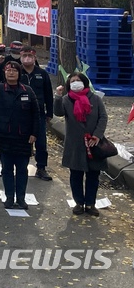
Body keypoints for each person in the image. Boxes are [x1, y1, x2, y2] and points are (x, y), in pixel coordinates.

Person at [0, 53, 39, 209]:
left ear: (19, 73)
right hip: (4, 136)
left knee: (22, 169)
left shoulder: (27, 91)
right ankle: (9, 197)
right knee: (7, 169)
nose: (11, 73)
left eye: (14, 70)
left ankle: (21, 198)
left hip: (23, 138)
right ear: (4, 73)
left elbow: (36, 114)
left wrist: (34, 133)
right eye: (8, 70)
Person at [54, 72, 108, 216]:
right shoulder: (66, 100)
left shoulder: (95, 99)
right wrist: (58, 96)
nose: (76, 83)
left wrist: (97, 135)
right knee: (75, 175)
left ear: (84, 82)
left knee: (93, 175)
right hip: (75, 144)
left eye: (78, 80)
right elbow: (58, 112)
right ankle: (78, 202)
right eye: (72, 81)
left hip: (93, 143)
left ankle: (90, 203)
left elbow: (103, 117)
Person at [19, 46, 54, 181]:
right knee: (22, 141)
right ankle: (22, 167)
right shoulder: (17, 72)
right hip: (21, 113)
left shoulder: (42, 74)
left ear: (35, 58)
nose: (27, 58)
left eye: (30, 56)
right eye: (24, 56)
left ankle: (41, 167)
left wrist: (49, 112)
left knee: (41, 142)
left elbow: (48, 94)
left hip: (39, 113)